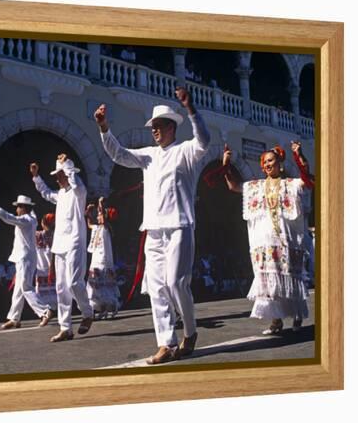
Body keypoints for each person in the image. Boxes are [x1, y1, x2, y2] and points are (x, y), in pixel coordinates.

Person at [94, 86, 211, 364]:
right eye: (152, 127)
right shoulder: (148, 155)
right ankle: (166, 343)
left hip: (180, 227)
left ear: (171, 127)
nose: (154, 131)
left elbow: (204, 140)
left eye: (158, 126)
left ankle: (190, 332)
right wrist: (104, 128)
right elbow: (118, 155)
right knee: (157, 288)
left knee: (176, 283)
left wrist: (191, 108)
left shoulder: (186, 152)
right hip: (153, 229)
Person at [222, 141, 313, 334]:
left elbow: (308, 180)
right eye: (265, 162)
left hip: (286, 240)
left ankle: (297, 315)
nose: (268, 164)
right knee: (270, 282)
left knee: (290, 277)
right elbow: (233, 186)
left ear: (280, 163)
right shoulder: (256, 186)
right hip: (264, 243)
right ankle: (276, 321)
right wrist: (227, 165)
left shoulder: (291, 184)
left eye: (271, 161)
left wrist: (299, 155)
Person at [31, 154, 94, 342]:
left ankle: (87, 313)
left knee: (74, 282)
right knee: (61, 288)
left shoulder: (79, 192)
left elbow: (75, 183)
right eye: (57, 174)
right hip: (59, 244)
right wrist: (36, 177)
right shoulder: (60, 195)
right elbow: (45, 192)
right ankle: (65, 327)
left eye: (60, 174)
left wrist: (67, 165)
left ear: (68, 174)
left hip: (75, 241)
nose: (56, 178)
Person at [0, 195, 53, 329]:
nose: (17, 209)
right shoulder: (32, 218)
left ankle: (44, 311)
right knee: (18, 289)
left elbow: (8, 217)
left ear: (23, 208)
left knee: (25, 288)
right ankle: (14, 318)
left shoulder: (25, 220)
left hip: (25, 258)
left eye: (18, 206)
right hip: (23, 258)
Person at [85, 197, 119, 319]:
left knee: (104, 285)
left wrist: (100, 204)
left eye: (99, 214)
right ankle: (102, 309)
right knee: (97, 286)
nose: (97, 216)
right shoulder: (97, 228)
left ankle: (112, 306)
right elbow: (89, 224)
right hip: (96, 259)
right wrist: (88, 214)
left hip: (104, 260)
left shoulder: (106, 228)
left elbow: (103, 219)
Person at [35, 213, 58, 311]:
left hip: (41, 267)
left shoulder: (37, 235)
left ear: (43, 223)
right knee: (53, 291)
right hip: (52, 267)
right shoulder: (56, 236)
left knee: (41, 292)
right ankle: (51, 310)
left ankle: (46, 311)